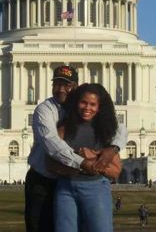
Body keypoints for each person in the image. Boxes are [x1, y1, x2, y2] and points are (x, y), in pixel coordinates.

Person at [25, 66, 127, 232]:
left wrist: (113, 148)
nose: (61, 89)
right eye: (57, 84)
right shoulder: (46, 110)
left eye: (67, 85)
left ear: (76, 87)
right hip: (44, 182)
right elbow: (53, 145)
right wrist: (84, 162)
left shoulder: (82, 110)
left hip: (71, 183)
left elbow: (119, 128)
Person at [54, 83, 120, 232]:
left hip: (96, 188)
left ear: (99, 107)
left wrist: (93, 159)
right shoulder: (64, 129)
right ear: (77, 102)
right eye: (83, 102)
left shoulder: (106, 132)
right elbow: (50, 164)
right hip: (66, 189)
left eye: (92, 104)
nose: (87, 108)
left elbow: (115, 171)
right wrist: (78, 163)